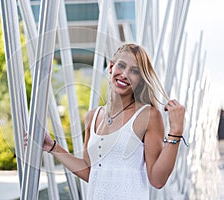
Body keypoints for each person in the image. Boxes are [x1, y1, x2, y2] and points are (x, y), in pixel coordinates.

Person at [24, 43, 186, 199]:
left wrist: (176, 132)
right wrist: (52, 146)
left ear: (140, 80)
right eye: (121, 66)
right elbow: (90, 172)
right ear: (111, 67)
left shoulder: (148, 116)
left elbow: (157, 180)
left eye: (134, 71)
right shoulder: (93, 117)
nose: (125, 74)